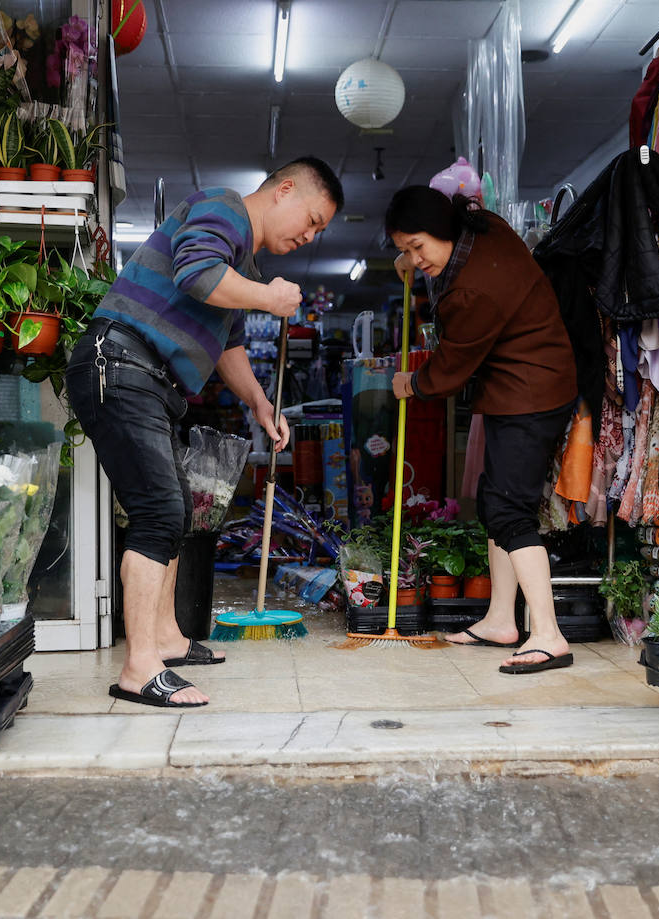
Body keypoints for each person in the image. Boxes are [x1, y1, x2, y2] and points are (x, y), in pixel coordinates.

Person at [67, 157, 344, 708]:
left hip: (150, 379)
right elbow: (195, 272)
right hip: (122, 365)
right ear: (284, 190)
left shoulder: (242, 262)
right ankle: (139, 667)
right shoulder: (223, 207)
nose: (309, 236)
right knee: (159, 512)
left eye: (319, 232)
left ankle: (166, 639)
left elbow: (229, 345)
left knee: (175, 511)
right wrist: (270, 299)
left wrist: (260, 401)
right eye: (311, 220)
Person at [385, 185, 578, 675]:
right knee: (496, 499)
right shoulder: (481, 226)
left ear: (442, 230)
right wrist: (415, 262)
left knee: (509, 510)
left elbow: (449, 371)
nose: (412, 258)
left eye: (417, 247)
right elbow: (445, 274)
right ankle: (499, 620)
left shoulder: (472, 291)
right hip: (527, 381)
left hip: (529, 392)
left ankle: (548, 635)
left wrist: (411, 382)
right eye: (404, 249)